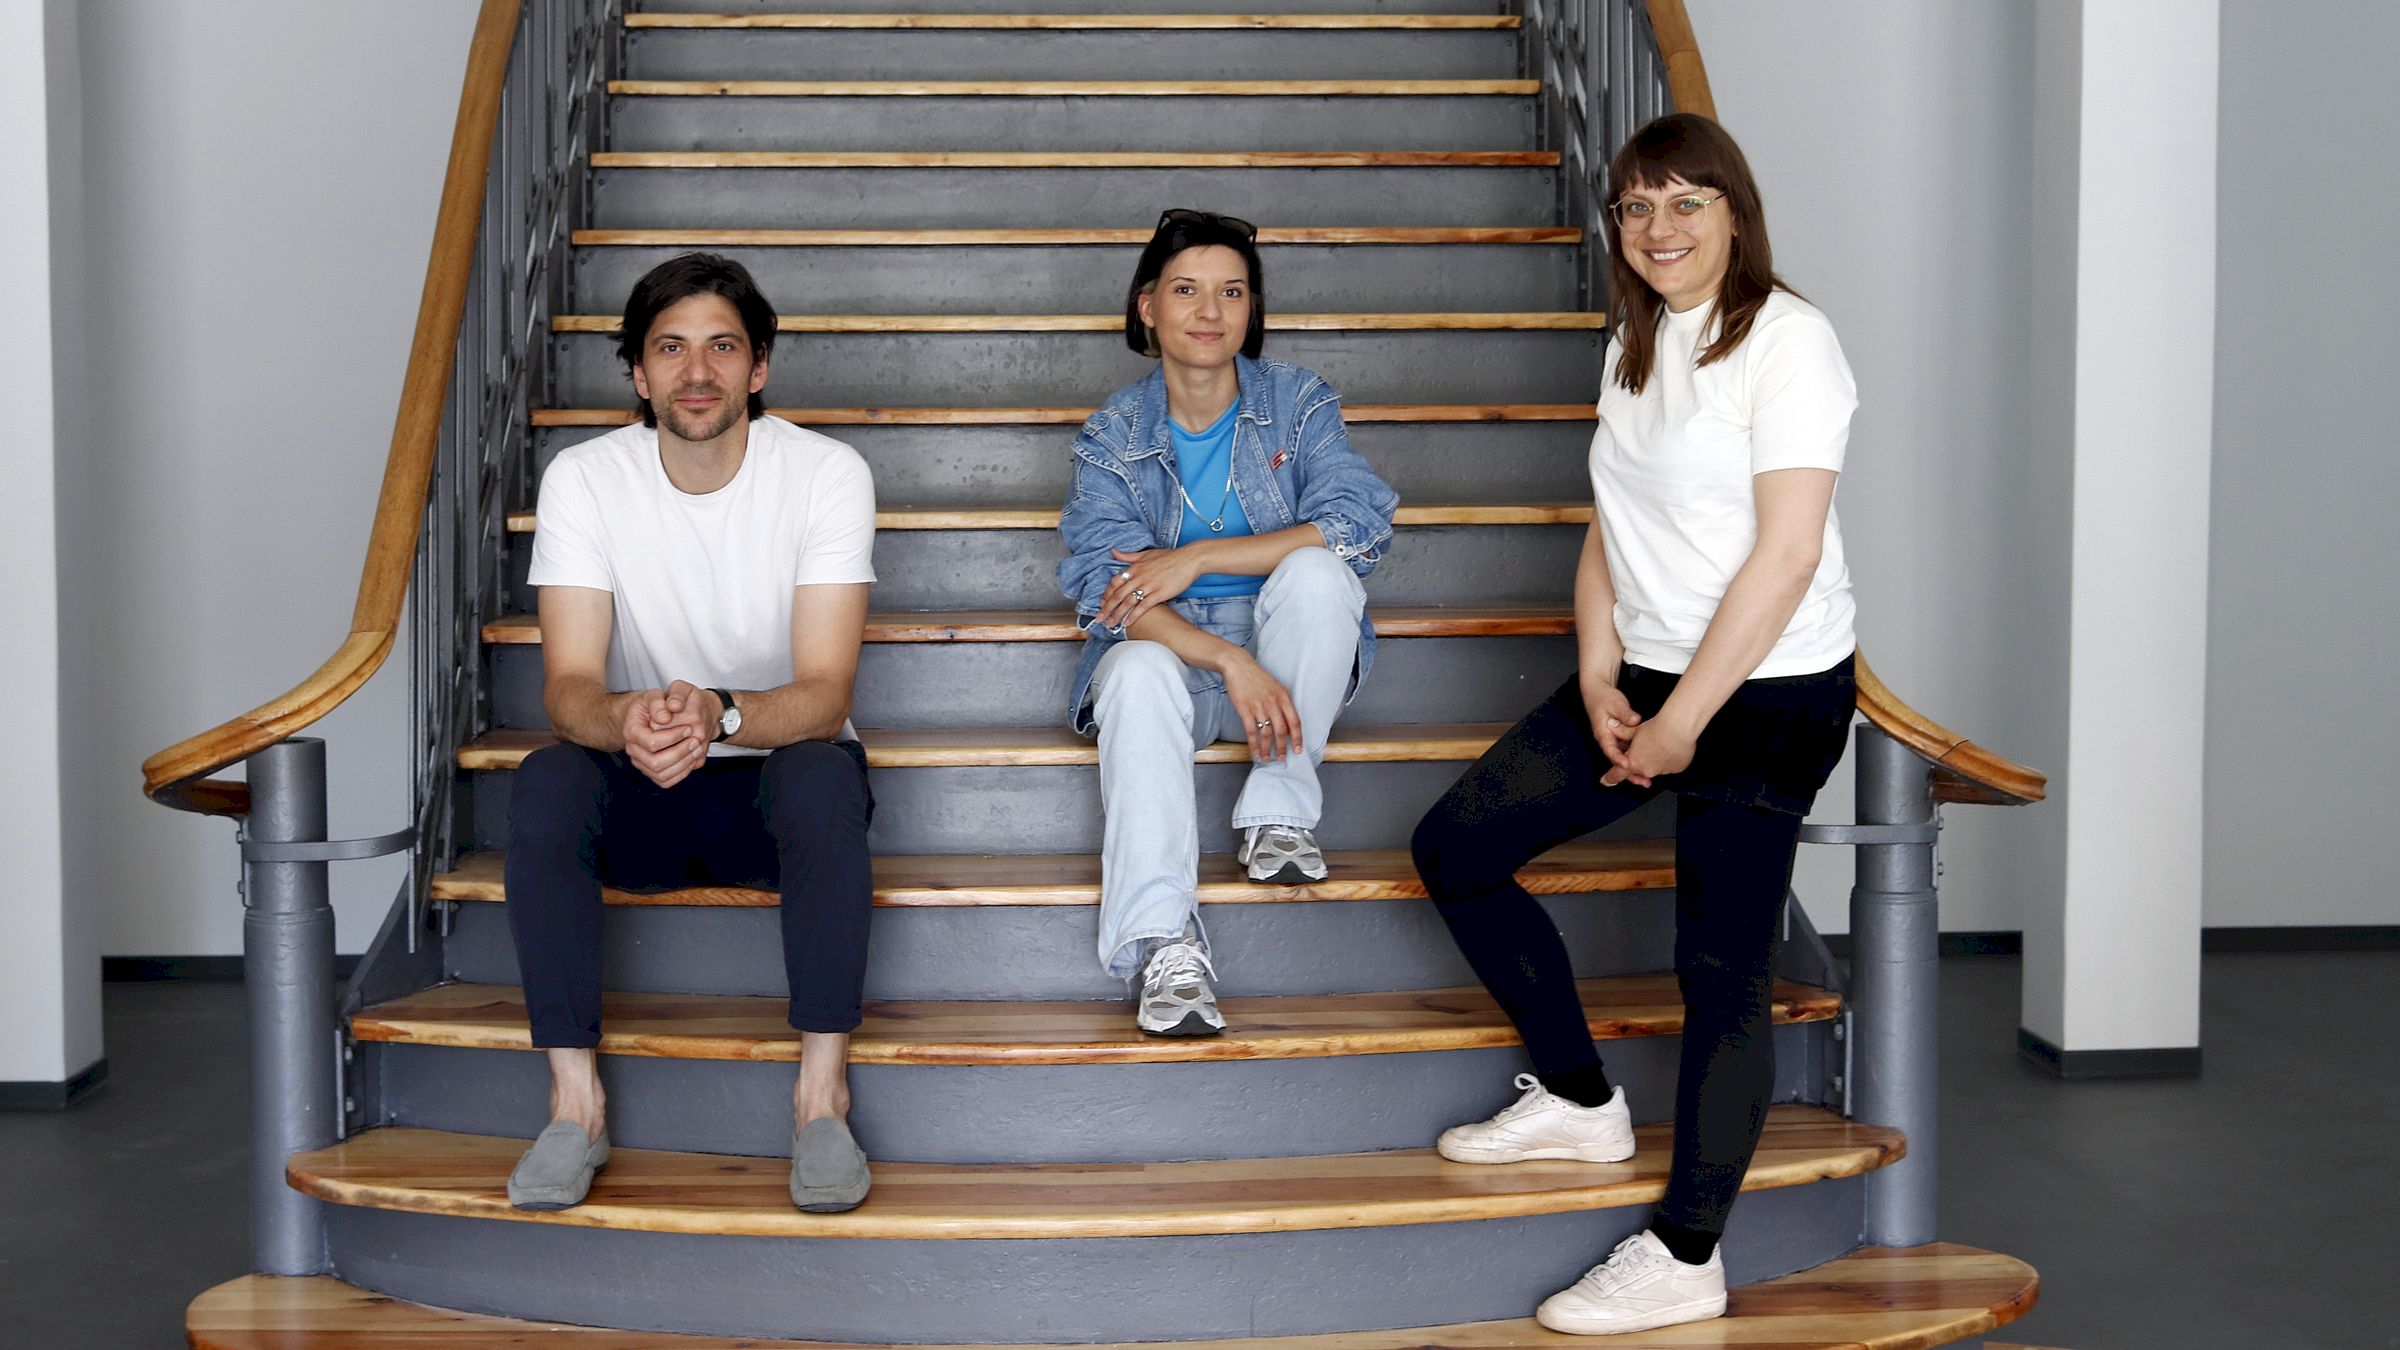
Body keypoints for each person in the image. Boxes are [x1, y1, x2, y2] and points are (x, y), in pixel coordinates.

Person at [1411, 114, 1860, 1335]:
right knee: (1456, 847)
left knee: (1721, 972)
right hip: (1649, 669)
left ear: (1734, 214)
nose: (1659, 229)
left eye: (1687, 204)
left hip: (1767, 696)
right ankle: (1578, 1096)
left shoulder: (1791, 344)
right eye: (1636, 206)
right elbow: (1613, 518)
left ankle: (1687, 1251)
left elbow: (1786, 556)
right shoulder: (1636, 334)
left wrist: (1684, 725)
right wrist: (1602, 666)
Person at [503, 253, 879, 1214]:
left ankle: (821, 1096)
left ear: (758, 367)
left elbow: (828, 692)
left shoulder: (827, 474)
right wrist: (626, 719)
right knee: (548, 778)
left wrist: (721, 711)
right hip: (644, 779)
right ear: (638, 372)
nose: (697, 371)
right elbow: (569, 687)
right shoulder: (585, 478)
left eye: (722, 346)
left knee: (824, 776)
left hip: (766, 785)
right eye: (670, 349)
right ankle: (573, 1104)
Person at [1059, 208, 1400, 1037]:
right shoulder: (1111, 436)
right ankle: (1164, 944)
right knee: (1133, 673)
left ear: (1252, 310)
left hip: (1292, 643)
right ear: (1148, 307)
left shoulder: (1297, 402)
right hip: (1179, 656)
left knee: (1320, 576)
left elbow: (1357, 521)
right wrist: (1227, 660)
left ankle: (1279, 812)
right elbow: (1109, 589)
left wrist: (1195, 560)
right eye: (1186, 290)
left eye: (1232, 292)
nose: (1210, 312)